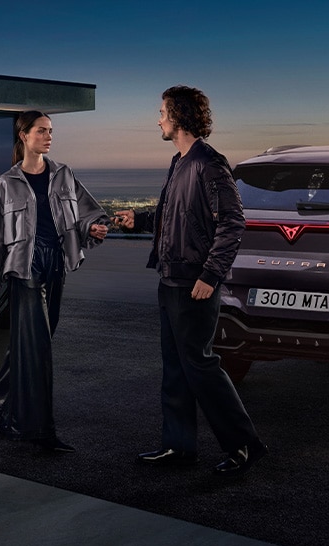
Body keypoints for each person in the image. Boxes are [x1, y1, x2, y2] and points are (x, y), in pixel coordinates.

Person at [113, 85, 267, 477]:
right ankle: (178, 447)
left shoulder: (209, 163)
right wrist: (140, 220)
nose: (158, 118)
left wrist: (211, 275)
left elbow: (232, 223)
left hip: (194, 285)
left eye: (162, 111)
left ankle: (244, 446)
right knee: (176, 369)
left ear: (179, 115)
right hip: (170, 280)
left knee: (201, 366)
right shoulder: (179, 162)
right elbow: (175, 218)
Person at [0, 110, 109, 453]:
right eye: (41, 131)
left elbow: (85, 212)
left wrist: (92, 227)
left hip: (56, 264)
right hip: (25, 269)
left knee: (32, 344)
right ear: (23, 136)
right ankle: (40, 430)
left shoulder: (63, 175)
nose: (48, 137)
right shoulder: (7, 183)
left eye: (51, 131)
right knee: (39, 352)